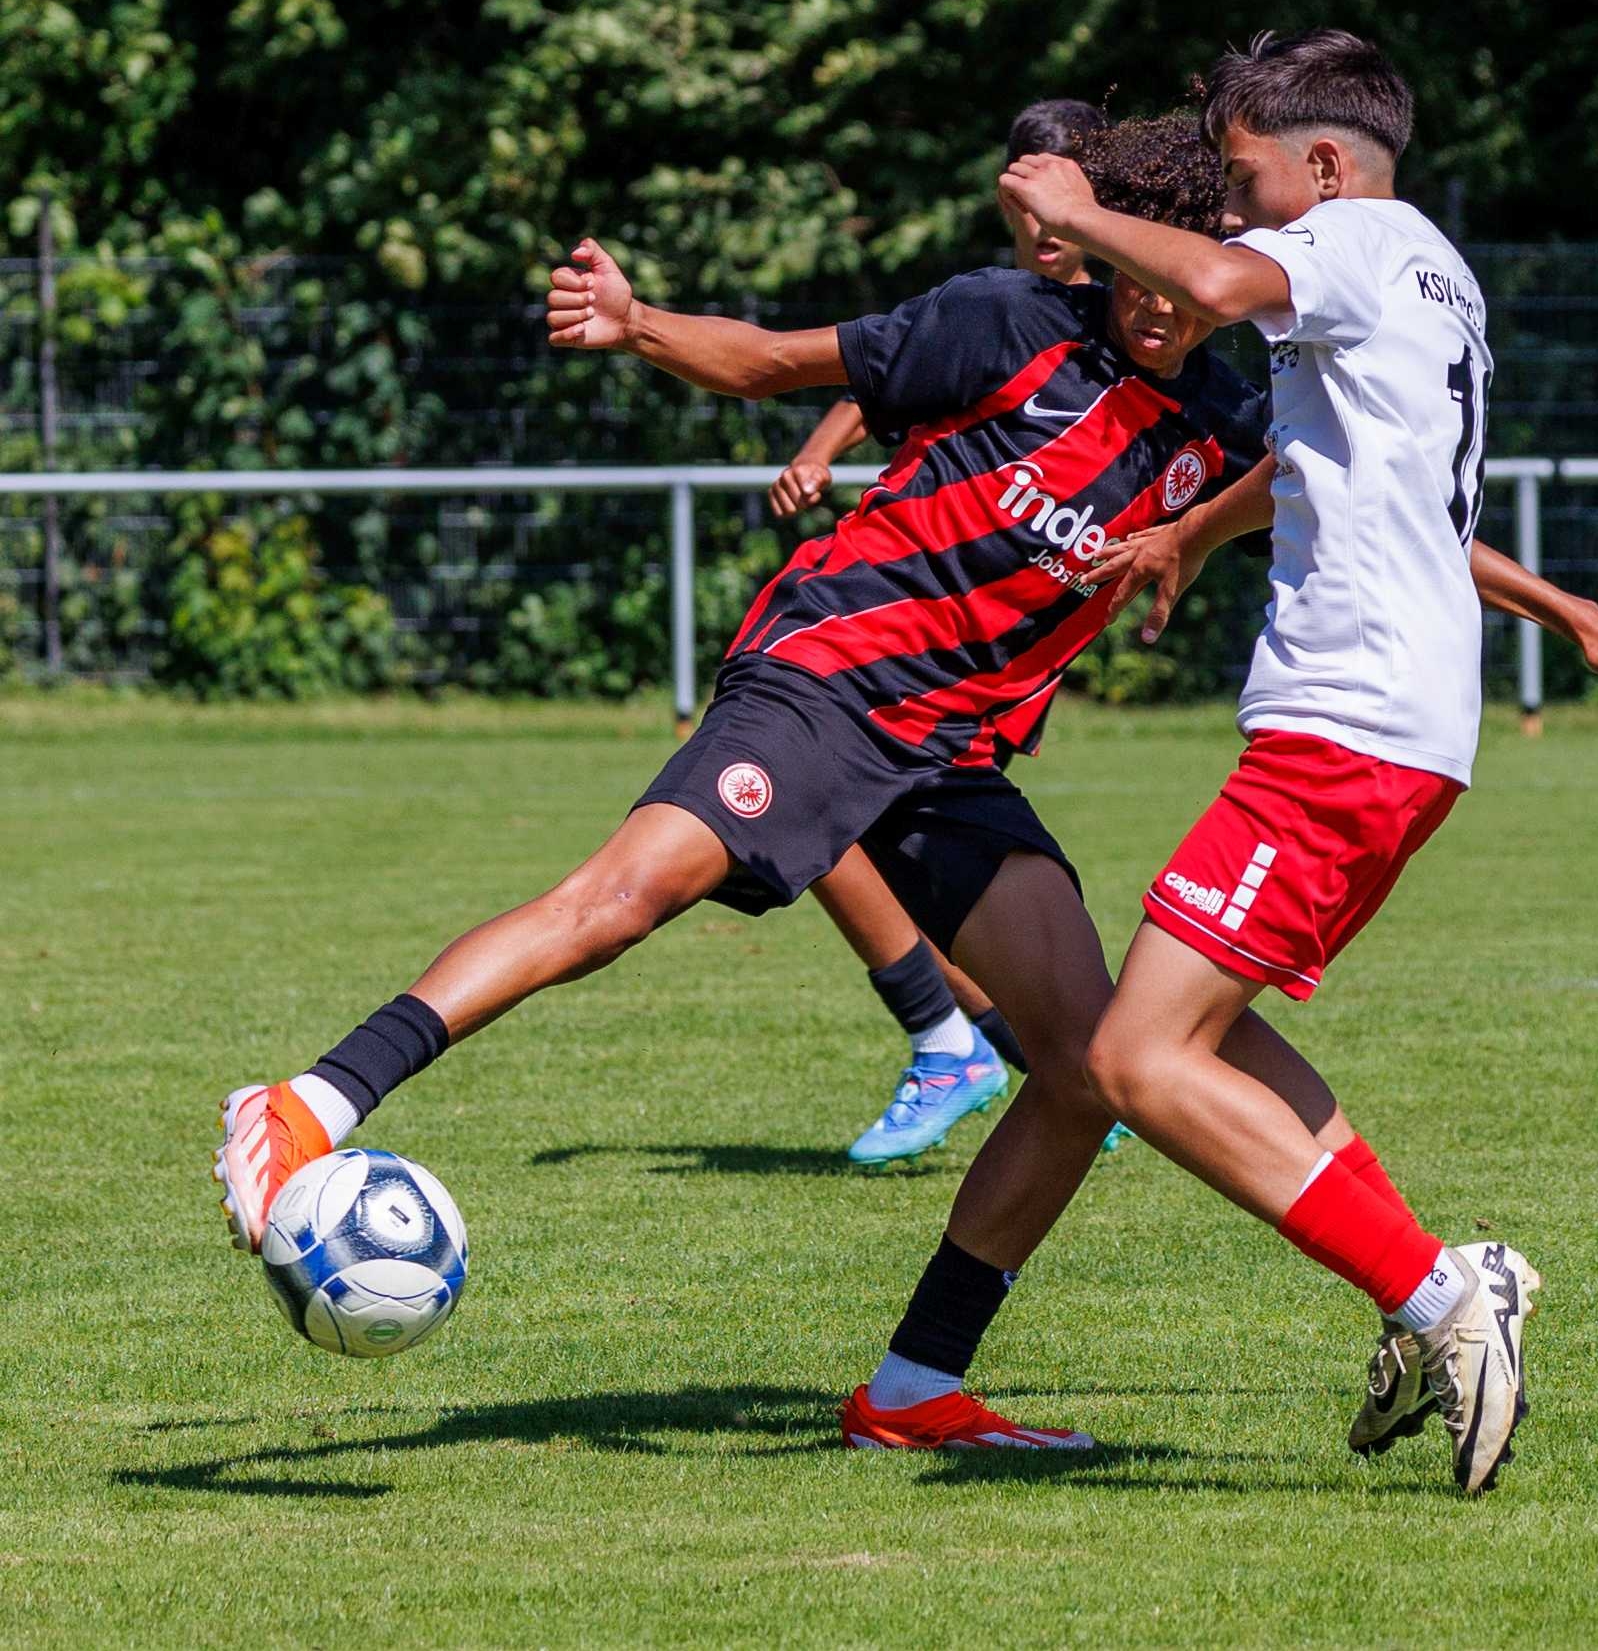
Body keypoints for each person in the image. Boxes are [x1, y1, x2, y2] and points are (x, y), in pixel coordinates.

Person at [214, 121, 1277, 1470]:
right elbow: (776, 361)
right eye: (1141, 274)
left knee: (1083, 1064)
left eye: (1190, 281)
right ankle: (307, 1103)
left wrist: (1520, 597)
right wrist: (637, 323)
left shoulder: (1224, 418)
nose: (1164, 307)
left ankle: (914, 1387)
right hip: (829, 678)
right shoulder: (1006, 322)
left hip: (949, 755)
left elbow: (1362, 497)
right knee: (617, 900)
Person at [840, 31, 1598, 1494]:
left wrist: (1075, 209)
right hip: (1384, 725)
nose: (1227, 215)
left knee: (1128, 1058)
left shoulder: (1345, 239)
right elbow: (1322, 465)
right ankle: (1426, 1287)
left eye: (1240, 181)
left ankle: (1440, 1290)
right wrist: (1187, 530)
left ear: (1324, 166)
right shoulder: (1429, 269)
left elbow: (1219, 286)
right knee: (1189, 1031)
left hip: (1345, 727)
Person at [766, 98, 1116, 1168]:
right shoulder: (986, 307)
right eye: (1026, 194)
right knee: (860, 835)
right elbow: (880, 373)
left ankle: (977, 1048)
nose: (1044, 221)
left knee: (834, 820)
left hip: (978, 652)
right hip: (918, 630)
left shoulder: (1126, 319)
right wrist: (821, 449)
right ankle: (1037, 1055)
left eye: (1066, 194)